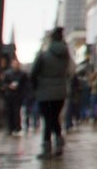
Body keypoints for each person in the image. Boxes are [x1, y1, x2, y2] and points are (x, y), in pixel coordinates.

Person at [29, 28, 71, 159]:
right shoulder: (66, 56)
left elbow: (33, 74)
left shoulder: (43, 55)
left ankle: (47, 147)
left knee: (48, 120)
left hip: (44, 92)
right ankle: (58, 141)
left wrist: (36, 87)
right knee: (54, 117)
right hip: (60, 92)